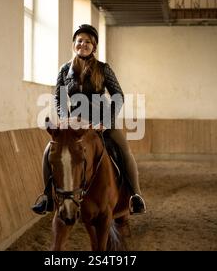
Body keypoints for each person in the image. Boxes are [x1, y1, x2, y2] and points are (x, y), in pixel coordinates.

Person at [31, 24, 146, 215]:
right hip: (75, 123)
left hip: (101, 122)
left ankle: (136, 196)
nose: (83, 44)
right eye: (80, 41)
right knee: (48, 151)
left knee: (123, 149)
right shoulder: (64, 70)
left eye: (88, 42)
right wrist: (64, 120)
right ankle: (47, 197)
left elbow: (118, 95)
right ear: (74, 44)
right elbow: (59, 97)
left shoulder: (103, 69)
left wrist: (106, 122)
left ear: (94, 47)